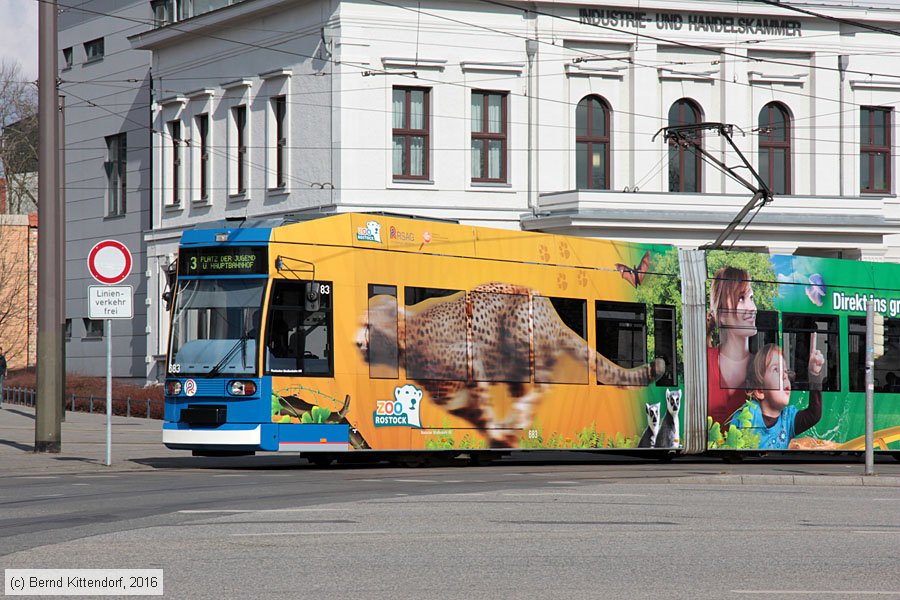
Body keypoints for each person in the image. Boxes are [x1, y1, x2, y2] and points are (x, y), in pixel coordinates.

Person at [728, 334, 825, 449]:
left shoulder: (788, 418)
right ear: (760, 391)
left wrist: (814, 374)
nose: (785, 376)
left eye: (785, 370)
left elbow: (814, 414)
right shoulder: (748, 414)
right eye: (776, 370)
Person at [707, 266, 757, 427]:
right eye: (741, 298)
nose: (752, 308)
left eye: (751, 297)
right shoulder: (703, 360)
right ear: (721, 315)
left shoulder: (764, 366)